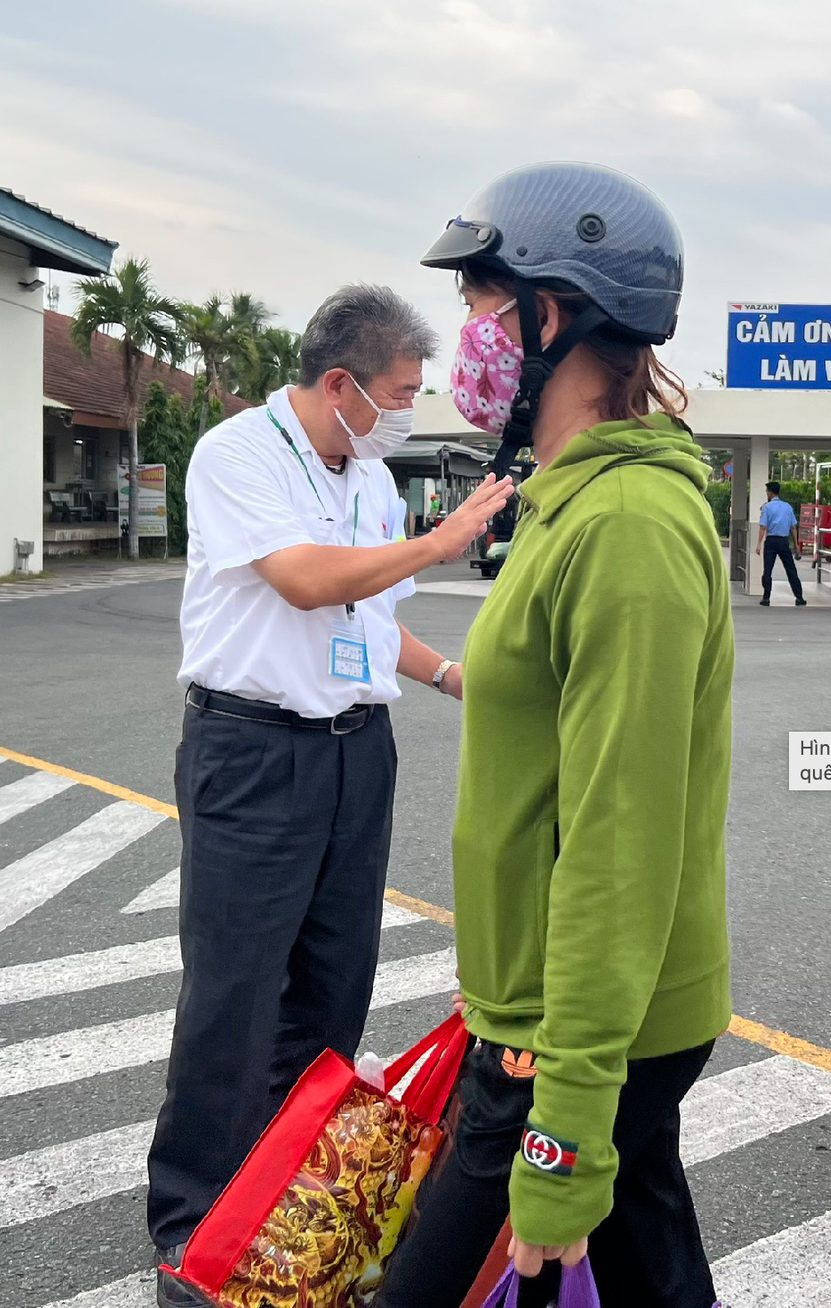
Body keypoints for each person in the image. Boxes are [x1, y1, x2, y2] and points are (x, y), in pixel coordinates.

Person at [379, 161, 733, 1308]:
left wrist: (568, 1125)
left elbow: (617, 842)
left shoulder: (625, 524)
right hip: (558, 1005)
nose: (467, 337)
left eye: (484, 305)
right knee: (648, 1263)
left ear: (553, 314)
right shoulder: (566, 501)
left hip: (581, 1032)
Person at [149, 284, 514, 1307]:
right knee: (234, 989)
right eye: (399, 393)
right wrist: (443, 546)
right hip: (252, 749)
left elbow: (363, 618)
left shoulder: (374, 478)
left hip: (358, 751)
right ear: (344, 384)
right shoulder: (238, 455)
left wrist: (452, 678)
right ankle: (191, 1227)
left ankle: (284, 1201)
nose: (408, 410)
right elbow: (307, 579)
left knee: (330, 988)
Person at [755, 480, 806, 607]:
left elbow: (762, 527)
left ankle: (766, 597)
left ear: (771, 493)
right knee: (790, 569)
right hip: (783, 541)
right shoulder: (787, 507)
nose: (766, 493)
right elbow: (793, 527)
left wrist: (759, 544)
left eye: (767, 491)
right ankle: (799, 597)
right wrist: (796, 545)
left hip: (771, 541)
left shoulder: (767, 507)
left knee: (768, 570)